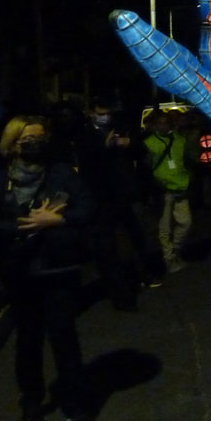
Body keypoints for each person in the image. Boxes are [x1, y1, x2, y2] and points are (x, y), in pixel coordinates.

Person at [0, 115, 95, 421]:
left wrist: (58, 222)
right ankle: (31, 400)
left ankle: (76, 406)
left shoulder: (61, 173)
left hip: (59, 266)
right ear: (13, 145)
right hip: (19, 270)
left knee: (64, 336)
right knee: (28, 338)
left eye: (41, 137)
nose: (36, 143)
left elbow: (88, 208)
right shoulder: (0, 180)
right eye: (28, 139)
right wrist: (21, 227)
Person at [76, 96, 147, 308]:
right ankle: (119, 292)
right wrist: (103, 148)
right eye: (100, 113)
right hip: (100, 197)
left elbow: (140, 150)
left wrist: (129, 144)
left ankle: (140, 274)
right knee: (106, 246)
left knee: (134, 236)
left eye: (107, 113)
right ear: (91, 113)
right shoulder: (85, 135)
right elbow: (87, 164)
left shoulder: (120, 128)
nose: (105, 117)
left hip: (123, 194)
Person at [141, 110, 191, 274]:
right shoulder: (149, 143)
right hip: (162, 190)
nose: (162, 125)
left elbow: (186, 161)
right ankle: (169, 258)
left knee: (185, 223)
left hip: (180, 187)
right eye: (159, 123)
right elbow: (146, 167)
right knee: (164, 228)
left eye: (165, 122)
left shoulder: (180, 140)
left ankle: (174, 251)